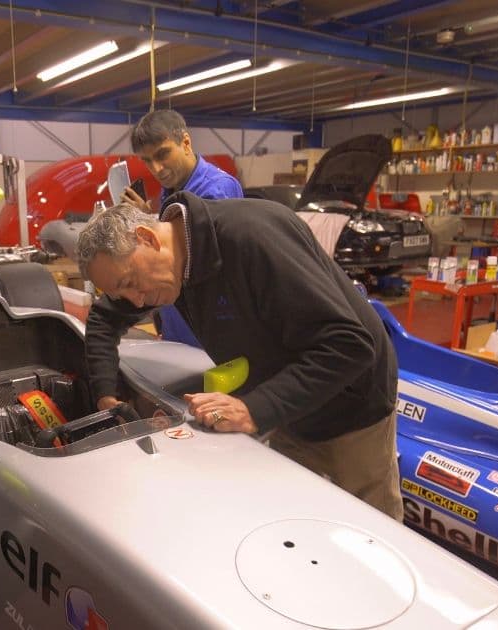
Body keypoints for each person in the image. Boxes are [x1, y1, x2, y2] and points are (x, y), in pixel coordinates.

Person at [77, 193, 402, 521]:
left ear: (148, 238)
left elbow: (350, 344)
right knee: (301, 521)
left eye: (130, 284)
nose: (136, 302)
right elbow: (104, 318)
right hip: (292, 404)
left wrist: (256, 408)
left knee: (375, 536)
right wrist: (107, 394)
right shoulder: (162, 267)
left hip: (353, 405)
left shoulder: (252, 237)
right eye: (123, 293)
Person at [120, 109, 242, 347]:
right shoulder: (173, 188)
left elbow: (192, 259)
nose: (156, 168)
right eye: (147, 160)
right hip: (178, 324)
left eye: (163, 154)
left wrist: (148, 223)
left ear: (185, 142)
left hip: (209, 331)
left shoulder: (217, 190)